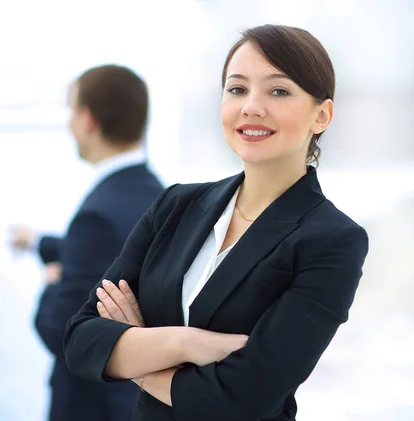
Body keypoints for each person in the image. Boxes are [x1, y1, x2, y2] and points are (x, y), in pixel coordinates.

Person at [63, 24, 369, 421]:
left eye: (278, 91)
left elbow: (243, 399)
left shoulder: (332, 240)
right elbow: (81, 341)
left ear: (321, 115)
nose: (251, 107)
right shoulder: (175, 205)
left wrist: (134, 353)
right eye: (237, 89)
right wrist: (186, 343)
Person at [11, 65, 164, 421]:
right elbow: (117, 251)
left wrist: (51, 286)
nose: (68, 124)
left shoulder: (95, 216)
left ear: (88, 120)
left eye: (71, 111)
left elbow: (64, 335)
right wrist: (38, 242)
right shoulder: (160, 196)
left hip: (92, 405)